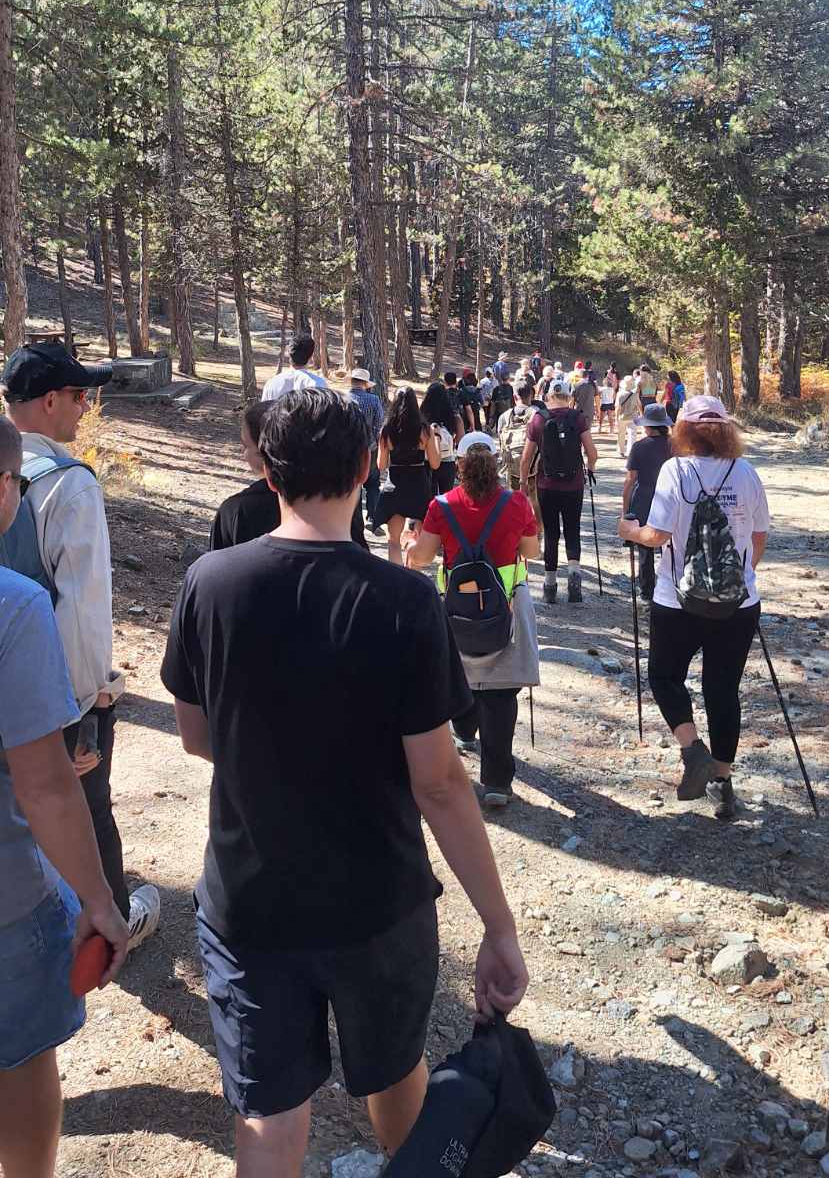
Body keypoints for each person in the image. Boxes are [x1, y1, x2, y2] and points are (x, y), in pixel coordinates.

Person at [161, 389, 528, 1176]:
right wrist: (498, 925)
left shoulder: (209, 582)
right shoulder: (402, 601)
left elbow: (195, 737)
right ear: (367, 467)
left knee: (268, 1118)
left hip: (250, 902)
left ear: (268, 473)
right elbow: (440, 785)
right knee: (396, 1084)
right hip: (378, 905)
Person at [0, 415, 129, 1177]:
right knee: (20, 1063)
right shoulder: (14, 607)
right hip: (7, 900)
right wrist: (100, 901)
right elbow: (45, 783)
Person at [0, 341, 159, 949]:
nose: (85, 406)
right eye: (78, 394)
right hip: (51, 694)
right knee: (87, 809)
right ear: (49, 401)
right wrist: (88, 707)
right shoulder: (69, 485)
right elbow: (82, 610)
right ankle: (110, 925)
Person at [617, 396, 769, 821]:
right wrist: (735, 578)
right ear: (726, 431)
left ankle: (693, 750)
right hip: (738, 604)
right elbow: (758, 538)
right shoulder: (746, 472)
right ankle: (722, 784)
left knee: (664, 676)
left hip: (677, 600)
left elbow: (657, 535)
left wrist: (629, 531)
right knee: (723, 690)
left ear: (683, 430)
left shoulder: (676, 470)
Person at [405, 434, 540, 808]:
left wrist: (410, 544)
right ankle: (496, 782)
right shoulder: (516, 503)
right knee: (500, 693)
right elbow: (532, 551)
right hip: (505, 608)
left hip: (455, 610)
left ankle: (465, 730)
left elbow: (421, 558)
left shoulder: (441, 505)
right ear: (496, 462)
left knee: (461, 673)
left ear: (460, 465)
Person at [519, 378, 597, 605]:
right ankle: (574, 578)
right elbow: (592, 452)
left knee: (551, 533)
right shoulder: (577, 418)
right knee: (572, 529)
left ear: (548, 396)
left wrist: (523, 482)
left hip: (546, 484)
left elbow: (526, 458)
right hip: (574, 484)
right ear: (569, 396)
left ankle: (550, 585)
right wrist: (590, 469)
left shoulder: (538, 419)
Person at [373, 388, 442, 564]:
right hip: (419, 486)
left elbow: (381, 465)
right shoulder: (425, 430)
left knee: (393, 541)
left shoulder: (387, 430)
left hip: (395, 486)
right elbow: (435, 464)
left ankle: (396, 577)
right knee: (419, 538)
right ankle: (412, 571)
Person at [621, 404, 673, 601]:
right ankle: (671, 587)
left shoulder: (639, 447)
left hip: (644, 498)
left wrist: (625, 509)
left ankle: (646, 593)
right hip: (670, 498)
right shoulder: (675, 446)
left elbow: (630, 480)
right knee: (672, 545)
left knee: (645, 546)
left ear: (648, 426)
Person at [210, 401, 278, 548]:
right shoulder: (322, 499)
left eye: (246, 446)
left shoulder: (236, 510)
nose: (243, 453)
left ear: (264, 454)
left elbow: (217, 559)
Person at [497, 378, 542, 540]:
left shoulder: (504, 417)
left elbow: (501, 442)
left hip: (512, 469)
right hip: (534, 468)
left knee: (513, 503)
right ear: (531, 395)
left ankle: (515, 537)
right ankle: (537, 536)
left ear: (515, 396)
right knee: (536, 503)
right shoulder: (537, 415)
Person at [347, 368, 385, 531]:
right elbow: (379, 423)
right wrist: (373, 440)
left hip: (348, 449)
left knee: (352, 483)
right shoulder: (374, 400)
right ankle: (372, 516)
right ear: (365, 384)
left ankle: (354, 518)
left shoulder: (343, 399)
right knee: (373, 483)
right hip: (370, 447)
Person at [421, 381, 463, 495]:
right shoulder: (454, 416)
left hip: (427, 460)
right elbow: (461, 439)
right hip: (448, 461)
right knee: (446, 497)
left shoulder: (422, 417)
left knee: (429, 497)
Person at [261, 333, 327, 401]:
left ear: (289, 353)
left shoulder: (271, 383)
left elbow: (264, 407)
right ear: (311, 356)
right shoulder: (319, 385)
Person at [615, 371, 641, 458]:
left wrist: (616, 418)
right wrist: (641, 414)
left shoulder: (619, 394)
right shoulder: (635, 394)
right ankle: (630, 452)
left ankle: (621, 451)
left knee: (621, 434)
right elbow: (639, 404)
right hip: (633, 417)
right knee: (632, 435)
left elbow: (617, 407)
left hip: (622, 417)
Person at [571, 364, 597, 429]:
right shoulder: (593, 385)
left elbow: (572, 400)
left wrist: (570, 411)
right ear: (587, 375)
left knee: (578, 429)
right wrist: (598, 411)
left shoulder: (576, 385)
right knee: (588, 429)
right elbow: (597, 399)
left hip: (579, 410)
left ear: (580, 376)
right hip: (590, 410)